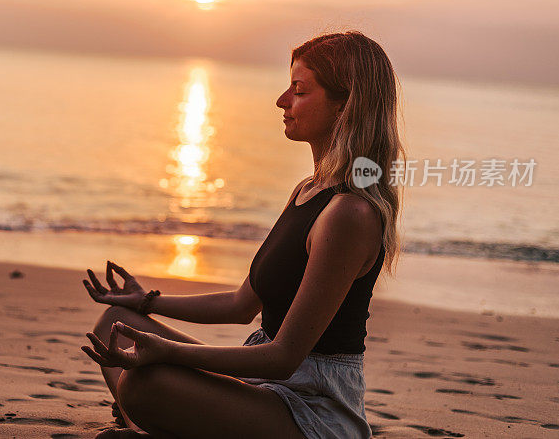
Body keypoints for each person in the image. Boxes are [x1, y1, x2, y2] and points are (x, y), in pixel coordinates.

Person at [81, 31, 404, 439]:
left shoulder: (350, 214)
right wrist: (147, 300)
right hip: (261, 388)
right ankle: (152, 423)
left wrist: (167, 353)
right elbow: (240, 304)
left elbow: (284, 358)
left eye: (299, 90)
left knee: (147, 383)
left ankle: (150, 421)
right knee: (117, 320)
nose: (282, 100)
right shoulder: (308, 190)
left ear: (345, 105)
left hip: (312, 412)